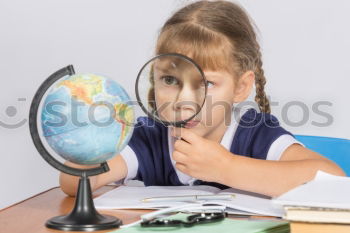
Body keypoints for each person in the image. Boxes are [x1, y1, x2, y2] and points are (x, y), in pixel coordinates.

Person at [60, 0, 345, 198]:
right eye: (170, 80)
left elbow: (332, 180)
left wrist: (227, 168)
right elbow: (74, 184)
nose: (184, 100)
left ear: (240, 87)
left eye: (206, 83)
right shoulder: (148, 137)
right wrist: (88, 141)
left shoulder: (257, 134)